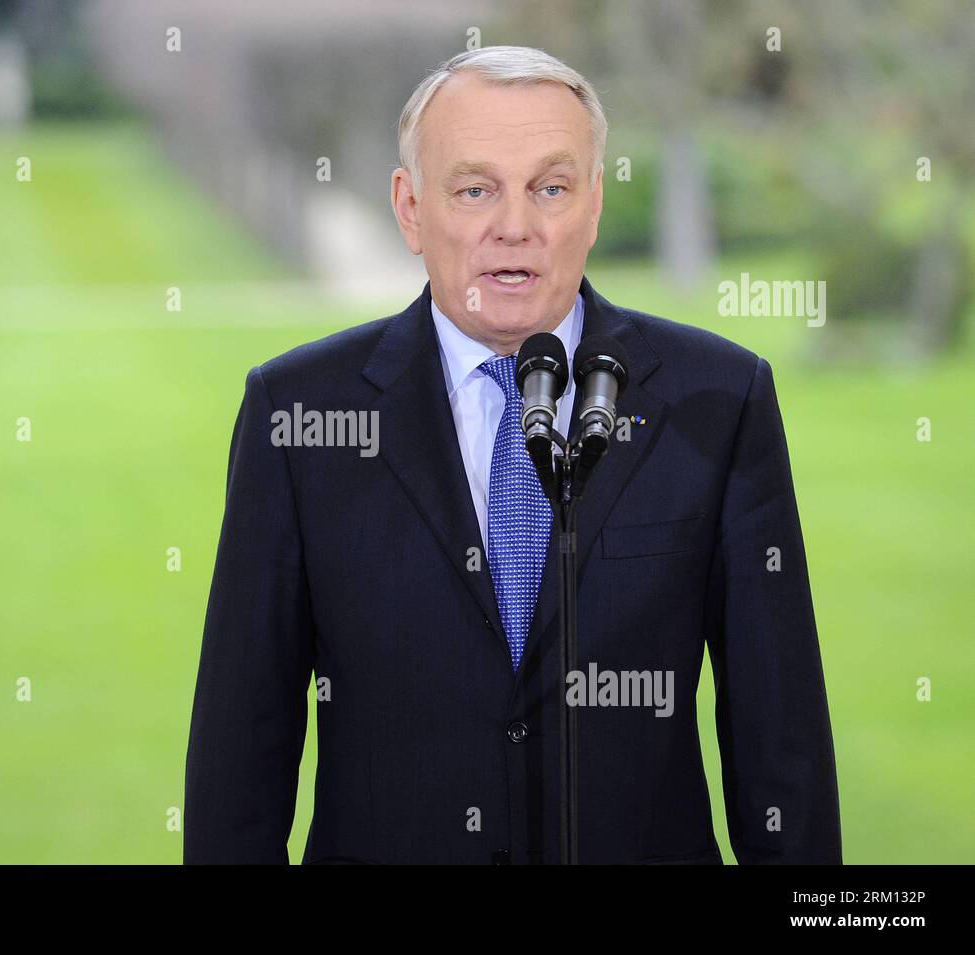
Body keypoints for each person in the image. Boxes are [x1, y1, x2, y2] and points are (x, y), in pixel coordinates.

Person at [184, 45, 841, 864]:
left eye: (552, 188)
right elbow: (236, 773)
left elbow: (784, 754)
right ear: (410, 208)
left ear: (595, 205)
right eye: (475, 188)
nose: (516, 225)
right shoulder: (297, 413)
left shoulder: (719, 399)